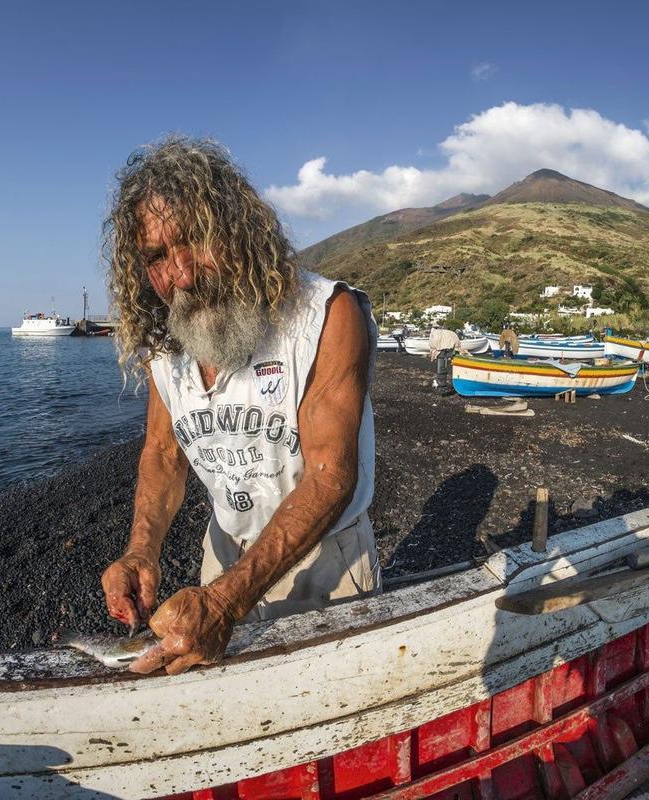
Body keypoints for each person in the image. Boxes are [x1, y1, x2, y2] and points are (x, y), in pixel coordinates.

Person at [99, 136, 381, 675]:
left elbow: (330, 477)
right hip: (224, 553)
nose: (182, 274)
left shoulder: (325, 315)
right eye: (156, 257)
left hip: (327, 561)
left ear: (237, 228)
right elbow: (163, 453)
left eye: (193, 241)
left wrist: (225, 603)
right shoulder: (168, 344)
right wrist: (141, 551)